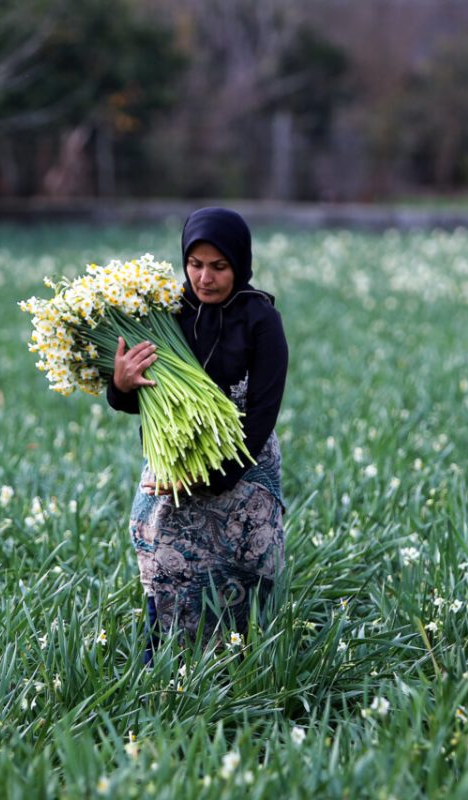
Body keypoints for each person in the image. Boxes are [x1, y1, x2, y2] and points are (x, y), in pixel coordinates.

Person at [106, 207, 289, 662]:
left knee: (243, 563)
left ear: (240, 263)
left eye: (219, 266)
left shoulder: (261, 318)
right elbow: (139, 397)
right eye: (195, 264)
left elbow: (263, 412)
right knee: (161, 551)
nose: (205, 278)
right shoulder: (164, 312)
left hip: (243, 462)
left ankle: (241, 665)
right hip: (173, 459)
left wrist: (214, 477)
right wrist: (121, 385)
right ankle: (160, 663)